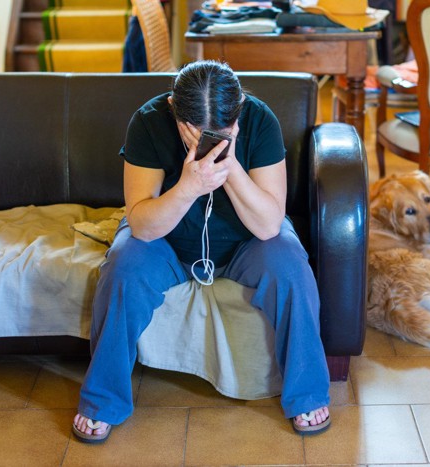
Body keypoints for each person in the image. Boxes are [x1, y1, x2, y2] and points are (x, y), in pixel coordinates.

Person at [72, 60, 330, 443]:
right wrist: (189, 186)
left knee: (290, 266)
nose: (212, 139)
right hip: (167, 242)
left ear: (239, 106)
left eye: (222, 132)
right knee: (123, 268)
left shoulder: (261, 121)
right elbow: (142, 224)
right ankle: (102, 400)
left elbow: (268, 225)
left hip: (246, 242)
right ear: (175, 107)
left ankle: (307, 393)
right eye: (198, 133)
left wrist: (230, 167)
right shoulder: (148, 121)